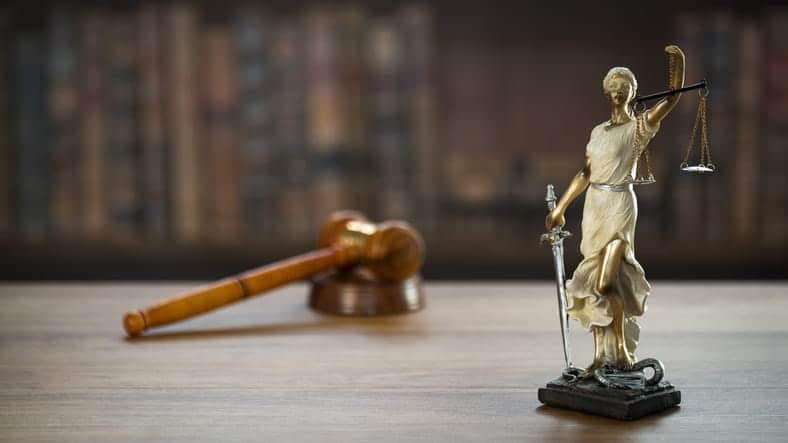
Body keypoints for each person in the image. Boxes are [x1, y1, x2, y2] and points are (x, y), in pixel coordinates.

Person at [545, 45, 685, 373]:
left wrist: (677, 71)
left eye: (624, 88)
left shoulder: (637, 128)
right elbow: (585, 173)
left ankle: (621, 348)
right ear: (607, 93)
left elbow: (672, 100)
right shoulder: (598, 132)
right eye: (613, 88)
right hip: (595, 207)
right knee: (592, 282)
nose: (617, 93)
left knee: (608, 282)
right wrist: (561, 209)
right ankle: (599, 356)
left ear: (633, 93)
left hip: (620, 206)